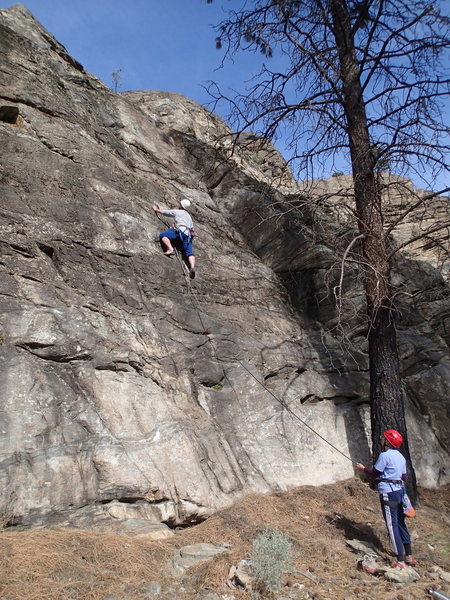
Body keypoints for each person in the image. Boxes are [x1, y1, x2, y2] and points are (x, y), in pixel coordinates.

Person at [356, 429, 417, 569]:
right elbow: (404, 477)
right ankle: (409, 555)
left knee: (392, 524)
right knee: (401, 522)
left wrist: (363, 468)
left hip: (388, 493)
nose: (382, 439)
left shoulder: (384, 456)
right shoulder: (401, 457)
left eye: (384, 438)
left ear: (388, 442)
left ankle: (400, 560)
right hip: (400, 492)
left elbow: (375, 473)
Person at [153, 199, 196, 279]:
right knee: (189, 253)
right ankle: (192, 267)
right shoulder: (189, 217)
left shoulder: (178, 212)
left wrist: (156, 209)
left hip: (179, 232)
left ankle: (170, 249)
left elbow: (165, 212)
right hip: (187, 235)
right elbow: (192, 229)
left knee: (163, 235)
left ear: (181, 205)